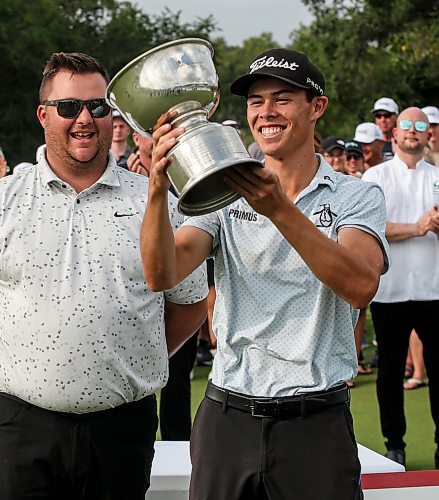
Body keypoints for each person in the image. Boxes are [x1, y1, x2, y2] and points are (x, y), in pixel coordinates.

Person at [142, 47, 389, 499]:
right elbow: (164, 273)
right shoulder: (224, 188)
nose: (266, 112)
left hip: (316, 423)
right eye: (256, 101)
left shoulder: (357, 195)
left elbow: (359, 286)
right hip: (227, 418)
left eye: (282, 98)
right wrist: (158, 190)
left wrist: (279, 210)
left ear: (317, 107)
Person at [0, 51, 208, 500]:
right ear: (43, 114)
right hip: (20, 427)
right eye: (69, 106)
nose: (84, 120)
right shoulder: (6, 200)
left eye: (97, 107)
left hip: (121, 428)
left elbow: (190, 303)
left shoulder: (154, 202)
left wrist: (134, 354)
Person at [362, 107, 439, 469]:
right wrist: (418, 227)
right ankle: (395, 444)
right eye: (406, 125)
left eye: (420, 126)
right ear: (394, 134)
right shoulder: (375, 177)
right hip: (390, 290)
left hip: (433, 289)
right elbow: (371, 228)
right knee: (390, 372)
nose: (412, 131)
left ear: (428, 135)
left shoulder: (437, 176)